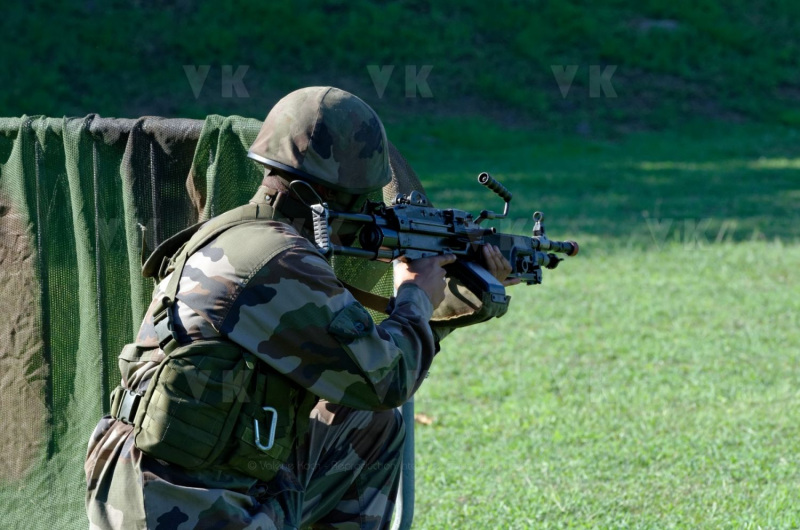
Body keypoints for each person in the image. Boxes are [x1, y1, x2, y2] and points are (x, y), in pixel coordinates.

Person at [85, 86, 516, 529]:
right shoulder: (282, 262)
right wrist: (415, 293)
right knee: (374, 409)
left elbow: (360, 366)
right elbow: (387, 379)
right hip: (180, 505)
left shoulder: (240, 233)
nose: (368, 209)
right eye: (359, 196)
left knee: (364, 423)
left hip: (160, 478)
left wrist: (455, 295)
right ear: (322, 192)